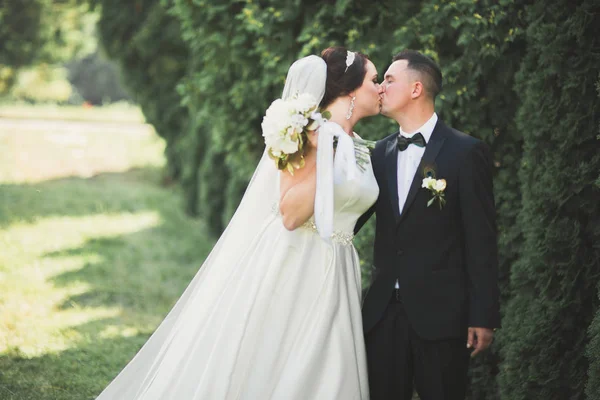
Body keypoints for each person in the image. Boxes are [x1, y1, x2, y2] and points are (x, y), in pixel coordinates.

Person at [96, 47, 382, 400]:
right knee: (283, 361)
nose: (380, 87)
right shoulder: (313, 135)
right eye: (374, 79)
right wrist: (327, 155)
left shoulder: (360, 146)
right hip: (300, 263)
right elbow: (290, 214)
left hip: (338, 264)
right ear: (352, 90)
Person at [355, 50, 501, 400]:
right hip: (382, 315)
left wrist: (483, 314)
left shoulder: (466, 152)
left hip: (442, 317)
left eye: (389, 80)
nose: (381, 88)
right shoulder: (378, 153)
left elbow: (481, 239)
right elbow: (352, 217)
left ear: (416, 88)